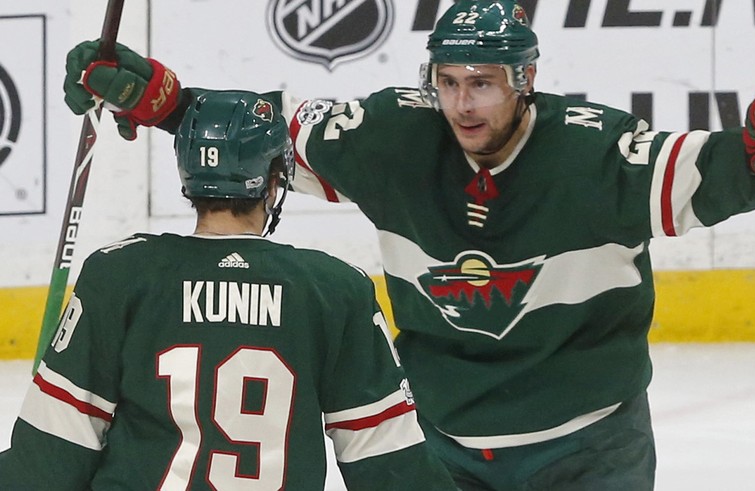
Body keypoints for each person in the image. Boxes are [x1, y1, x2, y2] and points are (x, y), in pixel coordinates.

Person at [60, 1, 755, 489]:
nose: (463, 104)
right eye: (449, 81)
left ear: (525, 79)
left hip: (587, 450)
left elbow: (709, 175)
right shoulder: (391, 136)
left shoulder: (592, 153)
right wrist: (158, 98)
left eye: (484, 83)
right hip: (441, 451)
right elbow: (253, 134)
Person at [0, 90, 457, 490]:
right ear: (276, 179)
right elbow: (390, 463)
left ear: (186, 174)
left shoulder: (118, 275)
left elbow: (49, 459)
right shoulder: (336, 290)